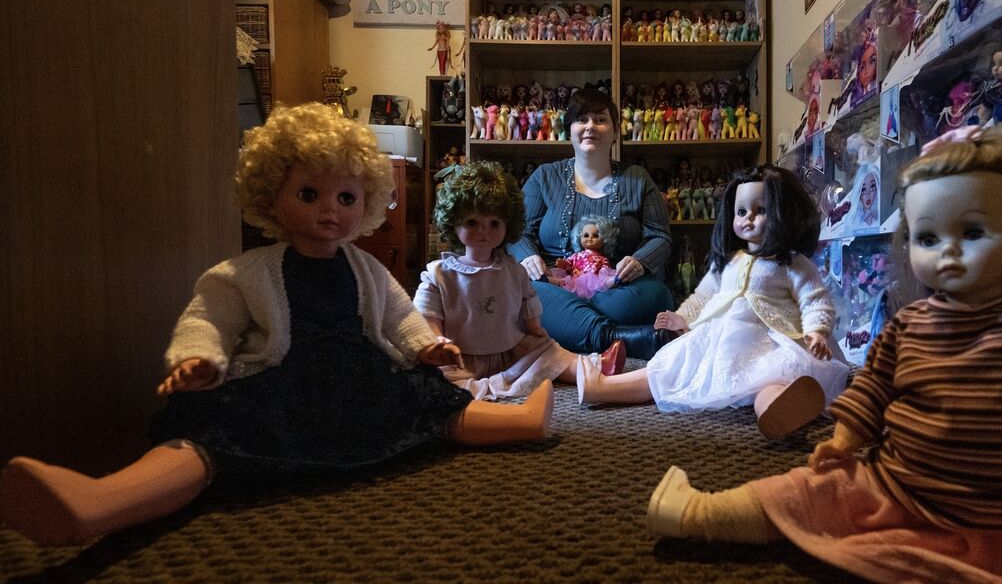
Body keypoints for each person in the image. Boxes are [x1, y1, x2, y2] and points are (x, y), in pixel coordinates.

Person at [644, 123, 1002, 583]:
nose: (948, 252)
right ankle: (701, 512)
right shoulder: (907, 329)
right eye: (929, 239)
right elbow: (870, 394)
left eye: (974, 231)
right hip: (903, 490)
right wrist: (842, 443)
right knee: (803, 491)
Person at [0, 103, 553, 548]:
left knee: (432, 401)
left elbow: (398, 315)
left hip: (360, 383)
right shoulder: (243, 273)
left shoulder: (366, 267)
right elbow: (207, 318)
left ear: (365, 204)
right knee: (205, 437)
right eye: (308, 194)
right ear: (270, 196)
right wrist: (202, 359)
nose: (328, 211)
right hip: (281, 386)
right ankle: (98, 503)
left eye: (346, 198)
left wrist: (425, 348)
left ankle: (516, 422)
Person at [577, 165, 849, 439]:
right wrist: (682, 317)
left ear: (785, 214)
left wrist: (817, 330)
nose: (748, 219)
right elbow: (704, 296)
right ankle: (601, 388)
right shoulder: (730, 262)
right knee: (670, 365)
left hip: (775, 343)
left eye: (761, 210)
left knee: (772, 383)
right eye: (741, 212)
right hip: (721, 338)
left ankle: (780, 412)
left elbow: (815, 299)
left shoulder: (791, 264)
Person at [414, 162, 624, 401]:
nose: (484, 231)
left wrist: (534, 328)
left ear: (508, 225)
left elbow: (527, 299)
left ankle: (592, 366)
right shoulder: (440, 273)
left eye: (494, 224)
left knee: (549, 352)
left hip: (510, 351)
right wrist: (436, 338)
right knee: (432, 379)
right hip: (461, 357)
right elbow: (428, 313)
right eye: (472, 223)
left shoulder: (513, 270)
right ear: (453, 222)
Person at [511, 87, 675, 359]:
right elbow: (517, 232)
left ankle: (573, 326)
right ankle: (619, 338)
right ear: (569, 129)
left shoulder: (637, 177)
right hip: (554, 283)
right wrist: (528, 257)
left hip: (616, 287)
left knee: (658, 296)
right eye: (581, 119)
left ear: (614, 131)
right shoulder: (545, 177)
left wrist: (640, 261)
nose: (590, 127)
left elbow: (660, 236)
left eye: (600, 120)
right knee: (525, 293)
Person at [548, 215, 620, 299]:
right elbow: (569, 265)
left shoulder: (602, 259)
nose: (590, 238)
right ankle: (546, 278)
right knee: (561, 279)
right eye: (586, 235)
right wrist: (563, 263)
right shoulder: (576, 255)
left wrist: (602, 276)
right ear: (579, 238)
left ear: (604, 240)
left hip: (591, 284)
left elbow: (605, 270)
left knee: (603, 281)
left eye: (596, 236)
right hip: (574, 280)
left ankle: (616, 280)